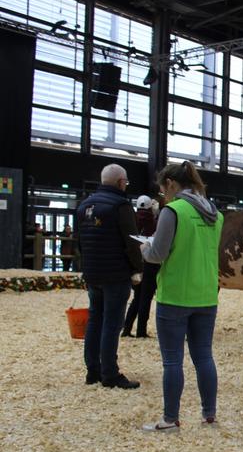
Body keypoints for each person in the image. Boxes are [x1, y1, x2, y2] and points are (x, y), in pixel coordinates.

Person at [141, 161, 224, 432]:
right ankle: (209, 415)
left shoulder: (173, 211)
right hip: (206, 295)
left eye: (162, 188)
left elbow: (158, 254)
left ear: (171, 185)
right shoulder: (215, 214)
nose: (162, 194)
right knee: (204, 357)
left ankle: (170, 419)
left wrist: (145, 248)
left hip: (175, 294)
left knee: (173, 360)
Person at [76, 163, 143, 389]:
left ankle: (92, 371)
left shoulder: (85, 204)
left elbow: (80, 243)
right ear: (120, 182)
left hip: (93, 273)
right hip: (116, 274)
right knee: (112, 324)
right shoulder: (120, 206)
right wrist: (138, 269)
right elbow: (131, 242)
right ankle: (110, 374)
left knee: (95, 320)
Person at [122, 195, 160, 338]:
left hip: (136, 264)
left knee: (137, 297)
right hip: (151, 264)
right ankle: (141, 331)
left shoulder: (132, 220)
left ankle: (126, 328)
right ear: (151, 207)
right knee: (146, 298)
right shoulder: (154, 222)